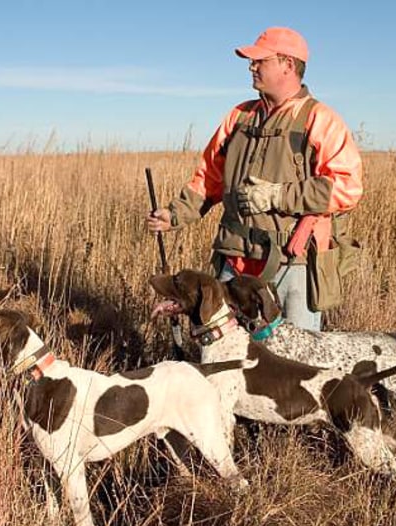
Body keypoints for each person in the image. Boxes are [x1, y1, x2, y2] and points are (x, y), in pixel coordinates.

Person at [146, 27, 363, 332]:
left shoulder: (320, 119)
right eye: (252, 61)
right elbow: (210, 176)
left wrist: (278, 196)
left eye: (260, 60)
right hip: (233, 259)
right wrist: (174, 214)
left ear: (288, 64)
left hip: (293, 264)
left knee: (293, 367)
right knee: (227, 359)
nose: (251, 66)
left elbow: (347, 187)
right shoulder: (239, 117)